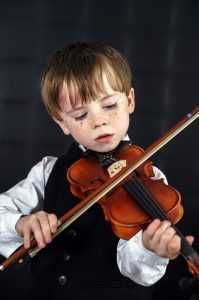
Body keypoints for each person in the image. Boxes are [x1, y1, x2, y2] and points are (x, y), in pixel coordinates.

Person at [0, 42, 193, 300]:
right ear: (62, 122)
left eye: (109, 106)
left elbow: (135, 270)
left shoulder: (151, 179)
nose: (98, 120)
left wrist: (149, 248)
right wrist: (22, 223)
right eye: (80, 115)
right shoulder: (48, 171)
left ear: (130, 101)